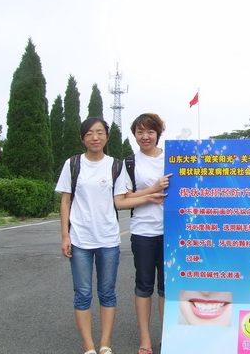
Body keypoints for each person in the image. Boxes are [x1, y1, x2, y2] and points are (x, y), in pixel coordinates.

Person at [56, 117, 164, 354]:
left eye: (100, 133)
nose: (95, 137)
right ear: (82, 138)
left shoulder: (116, 165)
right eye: (89, 133)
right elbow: (66, 201)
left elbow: (121, 199)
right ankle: (89, 346)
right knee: (83, 293)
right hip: (80, 239)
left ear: (107, 136)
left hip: (108, 239)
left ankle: (105, 344)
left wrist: (150, 194)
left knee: (108, 293)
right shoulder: (73, 164)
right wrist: (65, 235)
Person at [124, 113, 171, 354]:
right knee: (144, 286)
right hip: (143, 231)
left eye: (150, 131)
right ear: (134, 134)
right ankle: (145, 339)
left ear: (158, 133)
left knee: (167, 287)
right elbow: (124, 199)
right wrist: (151, 191)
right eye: (140, 132)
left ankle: (167, 337)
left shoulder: (172, 158)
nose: (145, 136)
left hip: (172, 231)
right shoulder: (130, 163)